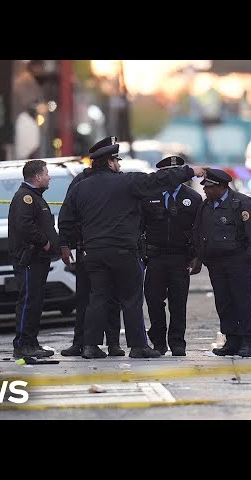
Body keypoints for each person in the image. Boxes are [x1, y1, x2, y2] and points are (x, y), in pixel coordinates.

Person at [59, 136, 205, 359]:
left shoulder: (81, 187)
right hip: (123, 251)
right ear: (109, 162)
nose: (119, 164)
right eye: (116, 160)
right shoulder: (127, 182)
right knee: (131, 298)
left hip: (94, 252)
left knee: (98, 298)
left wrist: (67, 244)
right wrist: (190, 171)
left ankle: (90, 346)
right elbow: (159, 180)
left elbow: (67, 218)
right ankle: (138, 346)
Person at [192, 168, 251, 357]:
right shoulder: (206, 206)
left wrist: (247, 258)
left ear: (222, 186)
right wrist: (201, 257)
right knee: (224, 303)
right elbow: (199, 232)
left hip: (237, 262)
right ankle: (232, 341)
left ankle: (248, 342)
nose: (205, 191)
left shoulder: (241, 203)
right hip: (216, 263)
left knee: (243, 302)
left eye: (209, 187)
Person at [59, 137, 124, 357]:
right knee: (85, 297)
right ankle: (81, 342)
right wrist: (66, 244)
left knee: (112, 297)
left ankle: (113, 343)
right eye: (114, 158)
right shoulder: (81, 181)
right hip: (86, 246)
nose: (117, 163)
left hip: (108, 246)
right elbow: (68, 215)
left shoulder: (119, 180)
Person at [140, 155, 202, 356]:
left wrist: (196, 257)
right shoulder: (149, 196)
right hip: (155, 257)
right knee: (154, 301)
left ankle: (177, 342)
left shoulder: (193, 198)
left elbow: (198, 231)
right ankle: (158, 341)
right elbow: (139, 226)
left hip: (180, 257)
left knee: (178, 302)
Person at [8, 159, 61, 358]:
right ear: (37, 177)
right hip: (30, 258)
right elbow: (25, 226)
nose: (49, 177)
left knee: (36, 301)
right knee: (29, 300)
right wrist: (44, 242)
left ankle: (31, 342)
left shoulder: (35, 196)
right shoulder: (26, 198)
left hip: (39, 259)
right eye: (46, 173)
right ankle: (22, 345)